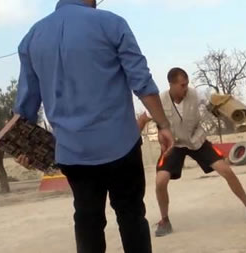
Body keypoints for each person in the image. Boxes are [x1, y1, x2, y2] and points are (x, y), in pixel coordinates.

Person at [14, 0, 174, 252]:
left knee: (88, 221)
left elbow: (25, 106)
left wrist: (25, 149)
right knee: (131, 217)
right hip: (121, 145)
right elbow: (141, 81)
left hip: (72, 153)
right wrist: (163, 125)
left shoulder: (32, 38)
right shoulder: (111, 23)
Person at [137, 67, 246, 237]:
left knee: (226, 170)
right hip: (174, 144)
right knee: (161, 181)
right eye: (182, 85)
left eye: (187, 84)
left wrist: (231, 110)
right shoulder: (160, 100)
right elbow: (143, 119)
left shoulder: (194, 95)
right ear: (172, 85)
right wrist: (133, 139)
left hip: (196, 140)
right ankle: (165, 220)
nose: (186, 88)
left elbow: (213, 106)